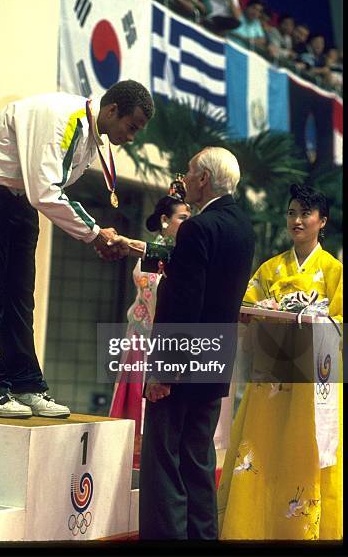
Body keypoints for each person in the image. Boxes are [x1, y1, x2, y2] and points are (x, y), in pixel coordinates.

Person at [0, 80, 154, 419]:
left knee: (20, 299)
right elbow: (46, 191)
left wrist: (94, 234)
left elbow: (45, 190)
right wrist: (94, 234)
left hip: (19, 196)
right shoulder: (65, 120)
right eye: (131, 126)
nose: (132, 136)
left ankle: (25, 384)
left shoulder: (93, 137)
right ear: (111, 110)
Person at [109, 147, 255, 539]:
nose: (185, 178)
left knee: (164, 463)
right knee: (198, 462)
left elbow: (182, 302)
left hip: (180, 363)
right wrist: (135, 245)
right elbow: (193, 271)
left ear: (204, 179)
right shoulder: (242, 226)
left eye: (190, 171)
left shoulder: (196, 228)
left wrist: (162, 371)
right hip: (214, 361)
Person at [218, 184, 343, 540]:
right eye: (291, 213)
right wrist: (260, 313)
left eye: (305, 213)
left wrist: (312, 321)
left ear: (323, 221)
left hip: (311, 385)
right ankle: (251, 528)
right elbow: (247, 305)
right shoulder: (270, 268)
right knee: (261, 451)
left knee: (303, 455)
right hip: (271, 379)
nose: (297, 220)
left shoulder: (335, 272)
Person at [109, 180, 191, 467]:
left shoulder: (181, 252)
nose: (188, 222)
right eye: (182, 217)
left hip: (167, 339)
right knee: (143, 407)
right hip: (146, 340)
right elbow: (155, 296)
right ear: (165, 221)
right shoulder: (154, 256)